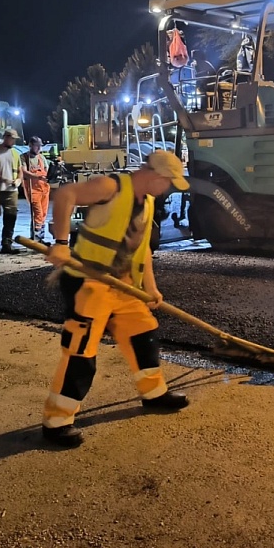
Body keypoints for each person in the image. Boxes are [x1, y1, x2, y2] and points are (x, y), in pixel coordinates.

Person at [40, 150, 191, 447]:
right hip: (89, 284)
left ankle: (154, 393)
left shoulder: (147, 203)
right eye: (169, 182)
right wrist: (60, 243)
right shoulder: (112, 187)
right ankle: (56, 421)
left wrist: (151, 287)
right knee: (81, 352)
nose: (169, 188)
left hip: (122, 286)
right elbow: (65, 195)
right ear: (155, 176)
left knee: (144, 333)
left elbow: (142, 249)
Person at [0, 127, 23, 254]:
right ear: (6, 137)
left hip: (11, 191)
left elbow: (20, 170)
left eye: (14, 139)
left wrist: (18, 180)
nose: (13, 142)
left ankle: (6, 243)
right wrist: (2, 179)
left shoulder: (15, 154)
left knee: (10, 218)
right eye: (12, 139)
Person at [20, 135, 51, 245]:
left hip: (44, 190)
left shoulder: (42, 158)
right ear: (30, 145)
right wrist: (36, 177)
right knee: (37, 214)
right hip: (33, 191)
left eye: (40, 146)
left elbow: (47, 171)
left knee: (43, 214)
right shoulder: (24, 157)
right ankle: (36, 240)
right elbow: (24, 171)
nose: (39, 148)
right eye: (36, 146)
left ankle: (39, 237)